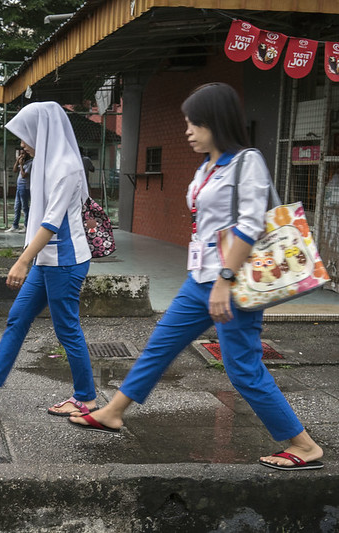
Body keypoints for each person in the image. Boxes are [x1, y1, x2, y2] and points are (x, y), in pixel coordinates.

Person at [70, 83, 325, 472]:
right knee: (160, 345)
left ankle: (303, 445)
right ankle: (113, 412)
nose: (188, 131)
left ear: (216, 122)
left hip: (233, 282)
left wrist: (224, 279)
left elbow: (250, 225)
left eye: (194, 123)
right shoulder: (208, 165)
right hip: (201, 278)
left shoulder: (246, 162)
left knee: (242, 368)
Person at [0, 101, 97, 419]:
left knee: (67, 328)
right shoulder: (44, 162)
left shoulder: (66, 166)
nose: (21, 142)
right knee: (18, 317)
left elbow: (51, 222)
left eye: (24, 135)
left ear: (41, 132)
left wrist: (22, 260)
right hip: (48, 259)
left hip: (65, 261)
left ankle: (87, 397)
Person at [5, 148, 32, 233]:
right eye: (20, 154)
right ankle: (15, 226)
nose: (21, 156)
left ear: (27, 154)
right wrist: (17, 162)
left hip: (25, 187)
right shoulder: (22, 162)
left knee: (25, 207)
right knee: (17, 207)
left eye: (23, 154)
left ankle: (26, 226)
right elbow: (14, 170)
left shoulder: (30, 163)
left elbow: (24, 175)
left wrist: (21, 166)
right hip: (19, 187)